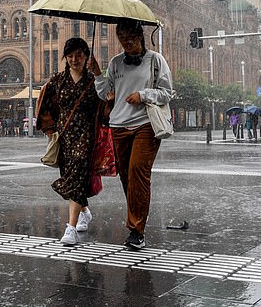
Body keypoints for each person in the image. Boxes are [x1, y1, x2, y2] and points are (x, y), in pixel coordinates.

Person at [89, 22, 173, 250]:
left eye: (131, 35)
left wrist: (143, 95)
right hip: (118, 126)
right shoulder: (116, 62)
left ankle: (137, 230)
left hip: (145, 125)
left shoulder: (156, 60)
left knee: (138, 172)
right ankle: (137, 217)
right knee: (126, 177)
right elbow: (106, 92)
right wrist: (97, 72)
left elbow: (167, 93)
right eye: (122, 36)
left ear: (140, 36)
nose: (126, 40)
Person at [36, 38, 101, 246]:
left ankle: (70, 228)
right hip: (64, 136)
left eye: (79, 55)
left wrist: (99, 74)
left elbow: (108, 99)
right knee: (72, 176)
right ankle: (84, 211)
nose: (75, 59)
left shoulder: (92, 81)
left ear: (86, 57)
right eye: (71, 55)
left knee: (76, 173)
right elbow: (44, 105)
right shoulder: (57, 81)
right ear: (65, 57)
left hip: (86, 135)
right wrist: (49, 130)